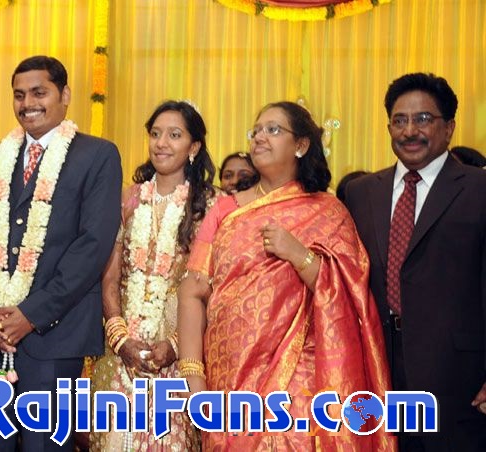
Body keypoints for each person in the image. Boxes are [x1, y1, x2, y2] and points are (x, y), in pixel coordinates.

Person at [178, 101, 394, 451]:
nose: (259, 137)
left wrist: (299, 255)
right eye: (256, 130)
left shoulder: (328, 211)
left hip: (299, 378)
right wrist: (193, 376)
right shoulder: (227, 208)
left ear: (301, 145)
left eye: (273, 130)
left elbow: (351, 292)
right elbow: (193, 289)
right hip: (229, 377)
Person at [0, 55, 122, 451]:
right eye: (19, 95)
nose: (27, 103)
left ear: (64, 95)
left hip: (55, 339)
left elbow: (92, 246)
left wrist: (31, 315)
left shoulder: (97, 155)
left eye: (39, 93)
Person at [345, 73, 486, 451]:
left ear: (449, 127)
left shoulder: (478, 189)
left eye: (423, 119)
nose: (409, 131)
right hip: (378, 368)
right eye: (399, 120)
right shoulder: (361, 193)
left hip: (459, 376)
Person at [89, 100, 218, 451]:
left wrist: (174, 346)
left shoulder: (211, 206)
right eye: (156, 134)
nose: (161, 143)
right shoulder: (127, 199)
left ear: (193, 147)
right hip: (123, 354)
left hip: (179, 356)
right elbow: (109, 276)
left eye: (174, 135)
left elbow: (212, 287)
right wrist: (121, 340)